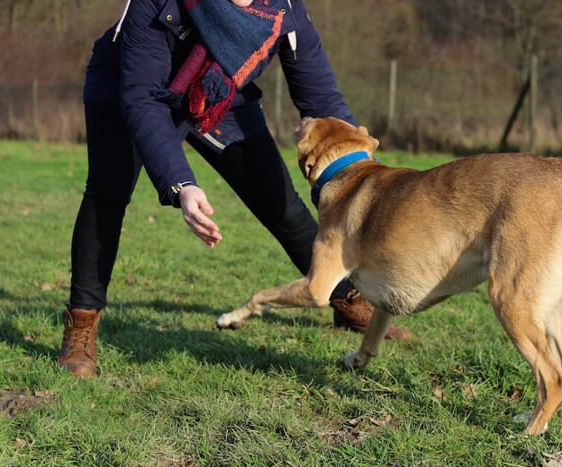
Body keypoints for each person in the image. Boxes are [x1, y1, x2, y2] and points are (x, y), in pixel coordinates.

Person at [59, 0, 411, 378]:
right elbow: (142, 100)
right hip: (131, 89)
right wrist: (183, 185)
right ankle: (82, 323)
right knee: (107, 194)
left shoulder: (283, 11)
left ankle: (344, 297)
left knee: (282, 205)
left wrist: (362, 163)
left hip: (218, 99)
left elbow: (321, 98)